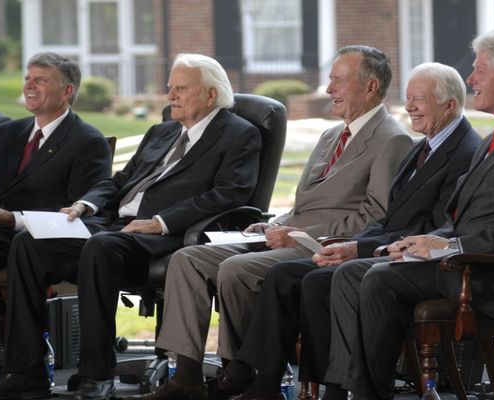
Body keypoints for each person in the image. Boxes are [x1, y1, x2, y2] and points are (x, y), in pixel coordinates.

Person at [133, 45, 413, 400]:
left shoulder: (392, 140)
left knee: (236, 269)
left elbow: (375, 217)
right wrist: (274, 223)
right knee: (188, 259)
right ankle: (187, 378)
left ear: (370, 87)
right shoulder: (331, 135)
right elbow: (305, 203)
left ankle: (243, 371)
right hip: (285, 235)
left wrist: (299, 234)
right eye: (330, 81)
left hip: (322, 246)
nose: (328, 90)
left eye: (338, 81)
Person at [0, 53, 261, 400]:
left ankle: (96, 373)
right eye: (170, 88)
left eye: (180, 89)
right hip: (114, 226)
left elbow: (228, 194)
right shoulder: (162, 132)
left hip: (167, 236)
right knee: (30, 244)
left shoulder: (239, 134)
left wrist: (161, 222)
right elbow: (118, 181)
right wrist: (85, 203)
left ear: (211, 95)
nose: (170, 97)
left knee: (101, 247)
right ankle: (25, 370)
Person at [332, 27, 494, 400]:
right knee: (357, 270)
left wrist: (450, 246)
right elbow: (465, 219)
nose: (470, 79)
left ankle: (368, 394)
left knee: (378, 279)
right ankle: (356, 390)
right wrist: (420, 243)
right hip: (471, 265)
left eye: (480, 70)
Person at [217, 62, 482, 400]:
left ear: (450, 105)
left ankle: (332, 390)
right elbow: (387, 218)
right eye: (408, 98)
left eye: (420, 99)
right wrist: (349, 243)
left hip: (410, 258)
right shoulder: (424, 146)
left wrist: (360, 249)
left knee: (313, 280)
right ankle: (267, 381)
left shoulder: (465, 152)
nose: (410, 106)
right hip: (380, 245)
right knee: (285, 275)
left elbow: (430, 229)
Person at [0, 52, 112, 281]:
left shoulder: (88, 142)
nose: (29, 85)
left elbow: (76, 215)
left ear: (67, 91)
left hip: (33, 240)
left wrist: (14, 218)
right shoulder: (5, 132)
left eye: (41, 80)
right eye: (28, 78)